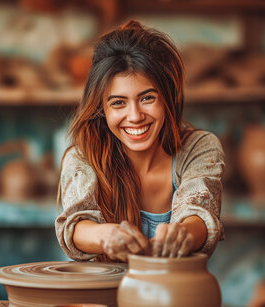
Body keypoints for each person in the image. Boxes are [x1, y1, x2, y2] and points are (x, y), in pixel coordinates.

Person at [55, 20, 225, 262]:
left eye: (147, 98)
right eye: (118, 103)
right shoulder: (84, 156)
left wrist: (183, 234)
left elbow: (200, 214)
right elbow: (76, 227)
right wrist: (106, 236)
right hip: (103, 294)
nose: (134, 117)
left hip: (175, 293)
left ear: (168, 96)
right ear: (101, 108)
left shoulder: (199, 147)